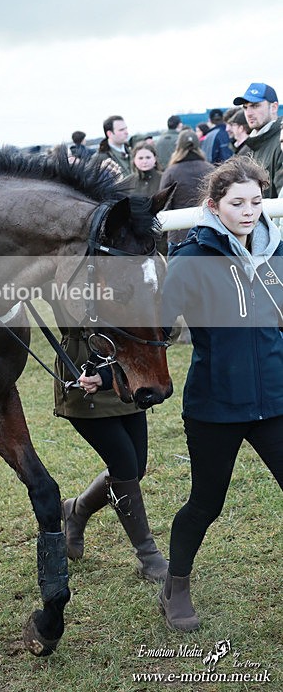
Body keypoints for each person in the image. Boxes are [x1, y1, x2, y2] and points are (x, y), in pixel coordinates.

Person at [160, 157, 283, 631]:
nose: (249, 211)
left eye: (256, 201)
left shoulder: (276, 251)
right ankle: (176, 585)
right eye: (237, 203)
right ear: (214, 206)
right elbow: (160, 328)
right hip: (216, 405)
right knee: (206, 504)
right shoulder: (191, 258)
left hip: (274, 401)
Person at [54, 329, 168, 583]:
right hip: (85, 377)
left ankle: (76, 510)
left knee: (135, 470)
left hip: (128, 378)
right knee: (125, 467)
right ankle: (147, 556)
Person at [158, 129, 212, 249]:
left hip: (179, 234)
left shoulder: (170, 172)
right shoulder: (210, 169)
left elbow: (164, 206)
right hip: (207, 231)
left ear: (178, 146)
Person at [233, 82, 283, 197]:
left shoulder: (280, 141)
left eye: (255, 106)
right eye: (245, 107)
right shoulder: (249, 146)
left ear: (274, 107)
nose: (249, 113)